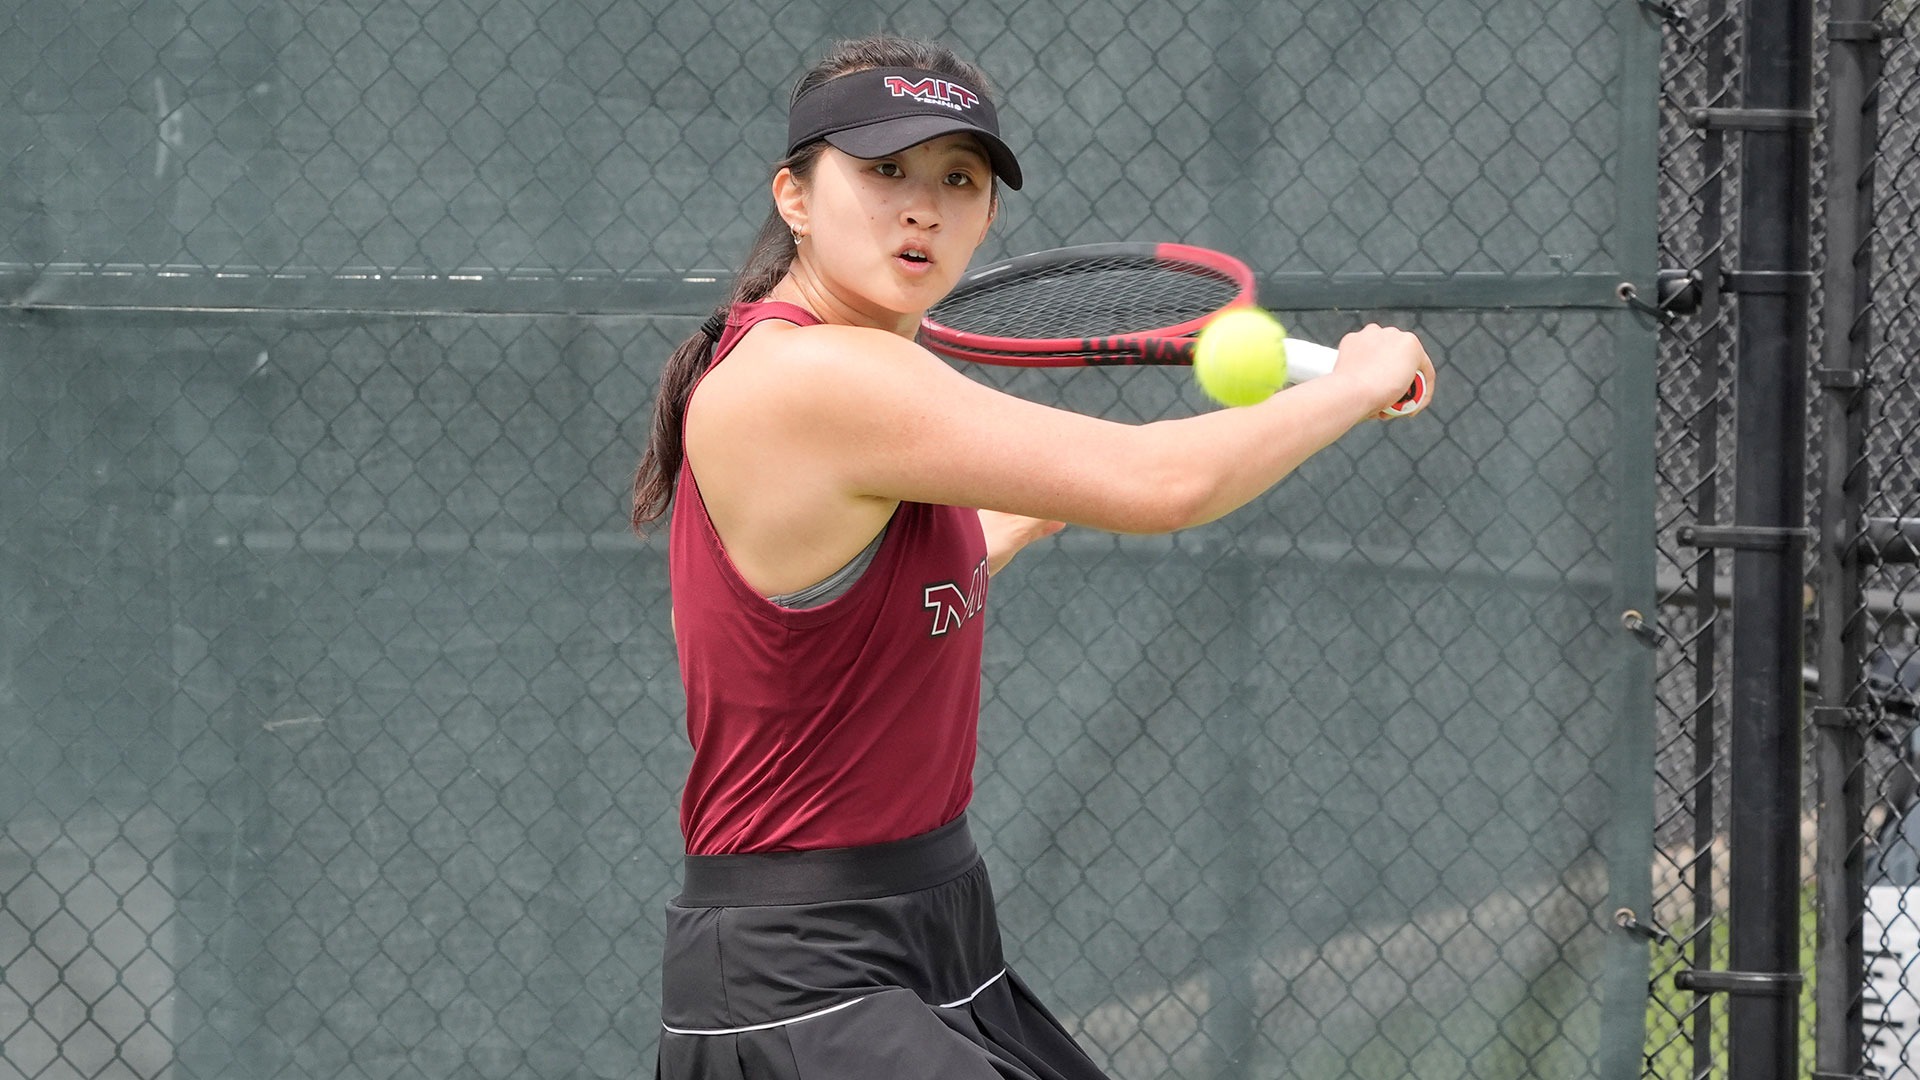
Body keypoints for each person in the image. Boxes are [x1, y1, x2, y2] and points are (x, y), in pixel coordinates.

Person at [630, 32, 1435, 1080]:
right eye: (884, 170)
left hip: (936, 934)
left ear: (988, 219)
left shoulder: (825, 376)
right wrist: (1354, 385)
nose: (923, 207)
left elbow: (768, 629)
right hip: (804, 978)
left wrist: (988, 540)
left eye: (957, 180)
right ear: (794, 196)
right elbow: (1162, 484)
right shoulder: (814, 374)